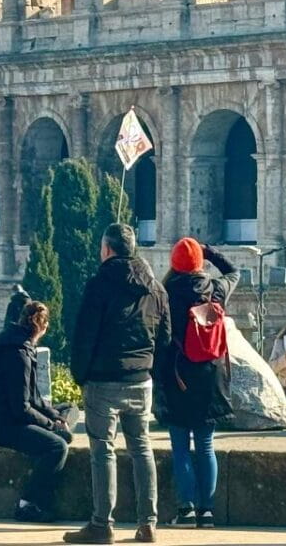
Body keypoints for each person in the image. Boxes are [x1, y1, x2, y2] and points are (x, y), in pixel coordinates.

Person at [63, 224, 171, 545]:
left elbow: (84, 335)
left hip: (104, 379)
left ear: (107, 249)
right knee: (142, 448)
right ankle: (148, 523)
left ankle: (102, 524)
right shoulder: (155, 288)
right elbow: (165, 338)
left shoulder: (99, 284)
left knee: (102, 451)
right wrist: (150, 369)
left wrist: (80, 375)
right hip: (141, 379)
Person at [155, 238, 238, 530]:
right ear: (199, 262)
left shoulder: (164, 293)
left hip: (178, 376)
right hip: (210, 377)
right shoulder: (215, 290)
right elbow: (234, 271)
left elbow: (160, 338)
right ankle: (207, 512)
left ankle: (186, 509)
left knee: (180, 446)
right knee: (205, 445)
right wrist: (210, 252)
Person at [0, 301, 72, 523]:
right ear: (43, 327)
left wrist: (55, 416)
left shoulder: (17, 344)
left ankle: (62, 425)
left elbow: (34, 398)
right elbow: (21, 407)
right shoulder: (18, 354)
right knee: (58, 446)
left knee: (69, 409)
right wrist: (51, 426)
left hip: (10, 417)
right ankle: (28, 504)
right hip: (5, 425)